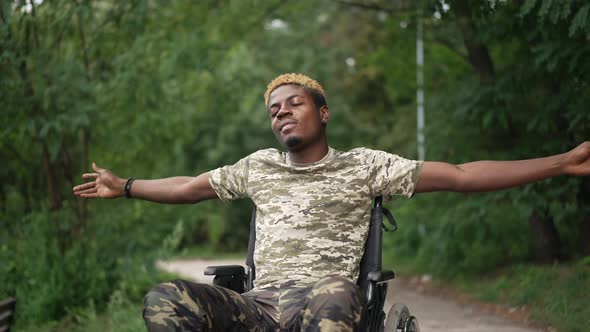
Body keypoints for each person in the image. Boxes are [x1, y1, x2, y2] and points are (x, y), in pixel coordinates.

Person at [73, 73, 590, 332]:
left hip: (330, 301)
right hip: (262, 306)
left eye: (293, 103)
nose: (282, 114)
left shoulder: (365, 166)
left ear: (323, 112)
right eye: (274, 110)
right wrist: (125, 186)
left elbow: (457, 175)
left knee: (336, 291)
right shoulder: (258, 167)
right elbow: (188, 188)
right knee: (165, 298)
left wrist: (560, 163)